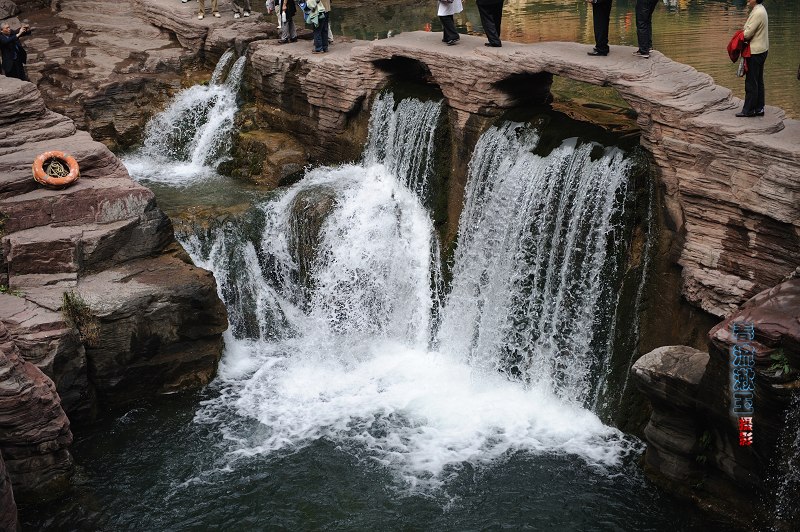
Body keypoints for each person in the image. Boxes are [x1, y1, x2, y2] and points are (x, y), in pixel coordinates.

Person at [737, 0, 768, 117]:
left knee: (751, 81)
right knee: (758, 80)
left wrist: (741, 33)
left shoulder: (757, 12)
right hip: (762, 49)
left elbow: (747, 34)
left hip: (755, 51)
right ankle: (759, 108)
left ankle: (749, 110)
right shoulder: (761, 9)